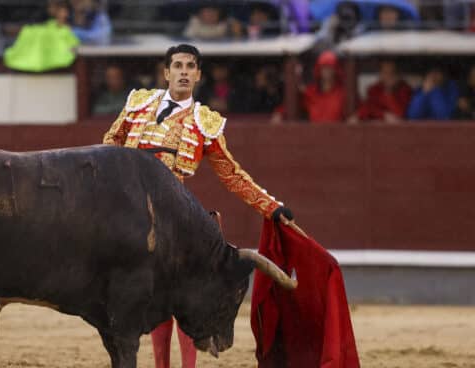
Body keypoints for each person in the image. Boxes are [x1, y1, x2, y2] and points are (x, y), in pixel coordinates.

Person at [102, 43, 294, 368]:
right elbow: (109, 145)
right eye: (177, 66)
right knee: (151, 298)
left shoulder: (205, 122)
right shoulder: (138, 103)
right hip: (131, 218)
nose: (184, 72)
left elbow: (232, 174)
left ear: (199, 75)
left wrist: (271, 207)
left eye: (190, 67)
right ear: (166, 72)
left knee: (183, 298)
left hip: (174, 219)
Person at [271, 50, 346, 123]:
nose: (327, 71)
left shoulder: (343, 93)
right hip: (314, 133)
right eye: (324, 67)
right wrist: (279, 113)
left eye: (330, 67)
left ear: (336, 70)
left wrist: (356, 117)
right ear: (319, 70)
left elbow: (356, 110)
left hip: (337, 134)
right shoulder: (311, 93)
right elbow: (292, 103)